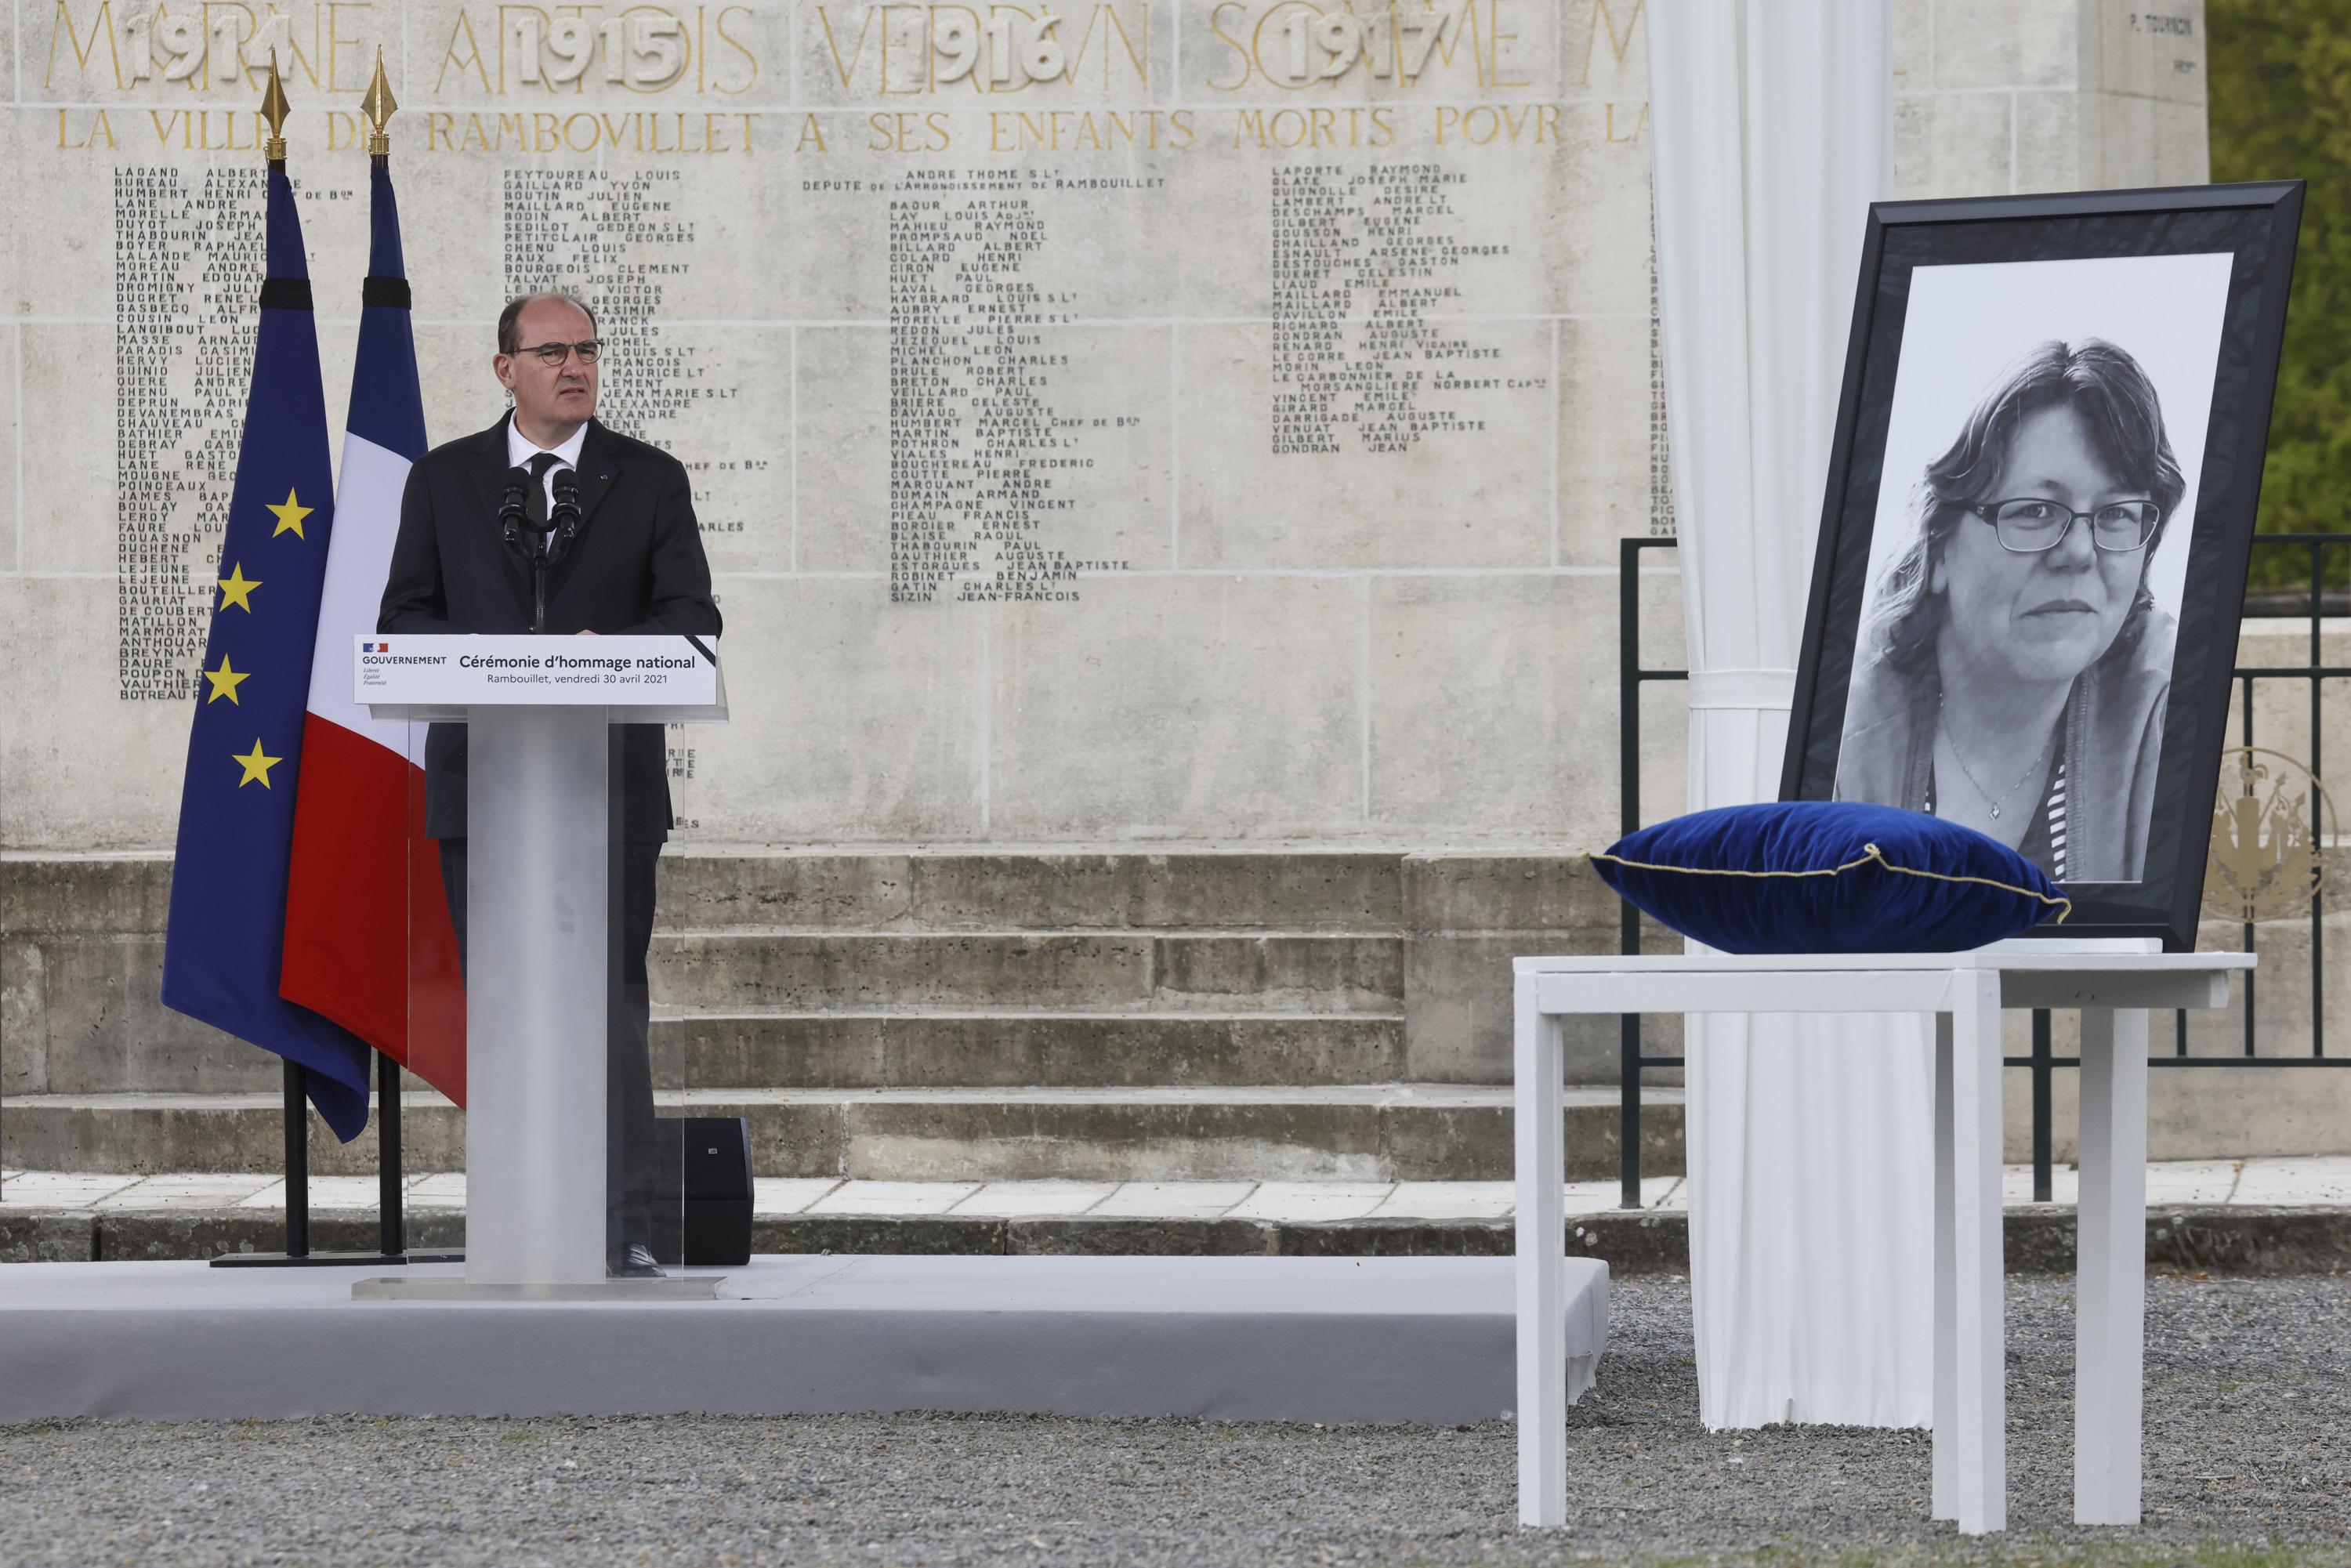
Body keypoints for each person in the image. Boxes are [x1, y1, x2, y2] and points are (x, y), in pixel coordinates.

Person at [378, 292, 722, 1276]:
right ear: (506, 369)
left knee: (609, 1002)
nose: (575, 366)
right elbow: (405, 619)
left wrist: (595, 652)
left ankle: (623, 1226)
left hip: (605, 790)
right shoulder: (447, 481)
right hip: (482, 785)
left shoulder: (648, 480)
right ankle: (521, 1216)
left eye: (587, 350)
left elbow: (693, 617)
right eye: (553, 351)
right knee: (502, 1000)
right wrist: (500, 658)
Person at [1836, 339, 2186, 882]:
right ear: (1940, 549)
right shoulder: (1843, 732)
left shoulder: (2167, 707)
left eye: (2116, 513)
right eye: (2035, 511)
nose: (2078, 551)